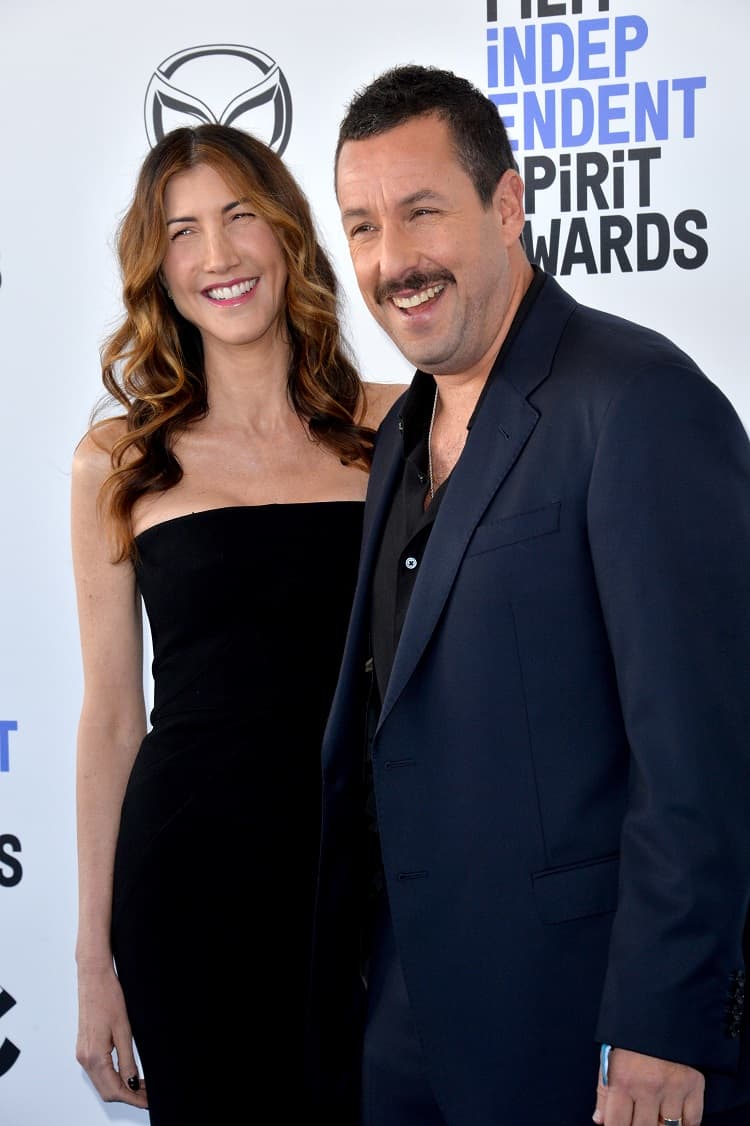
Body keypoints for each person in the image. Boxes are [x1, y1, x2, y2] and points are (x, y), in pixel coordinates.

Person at [308, 64, 750, 1126]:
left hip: (583, 1029)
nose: (392, 261)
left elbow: (704, 750)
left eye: (422, 213)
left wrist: (663, 1020)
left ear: (508, 205)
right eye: (362, 227)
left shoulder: (637, 400)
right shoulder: (400, 437)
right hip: (406, 1016)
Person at [71, 122, 404, 1125]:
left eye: (238, 218)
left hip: (378, 876)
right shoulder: (118, 460)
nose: (216, 256)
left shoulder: (400, 428)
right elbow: (113, 720)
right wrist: (95, 961)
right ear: (156, 269)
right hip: (194, 878)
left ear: (288, 236)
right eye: (181, 232)